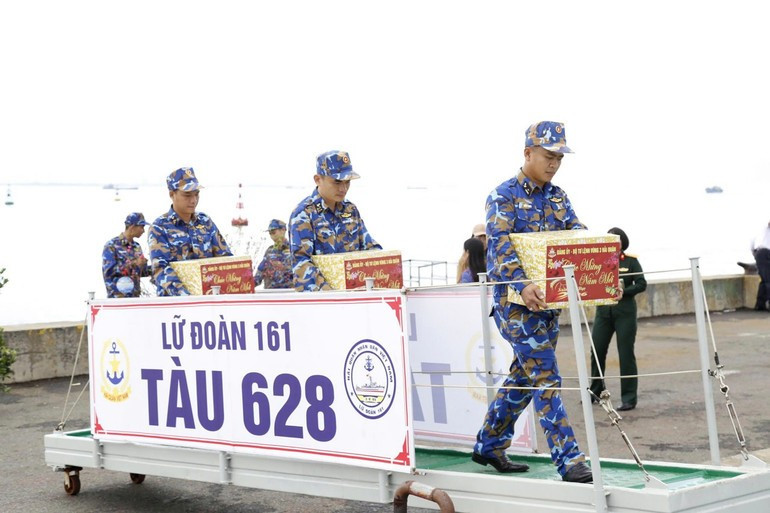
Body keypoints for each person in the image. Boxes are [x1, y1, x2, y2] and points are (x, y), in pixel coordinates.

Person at [473, 121, 593, 484]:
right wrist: (523, 285)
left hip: (549, 303)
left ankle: (489, 444)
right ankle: (569, 460)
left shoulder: (558, 197)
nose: (554, 163)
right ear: (528, 153)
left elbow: (575, 234)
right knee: (545, 376)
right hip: (515, 304)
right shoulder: (503, 196)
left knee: (525, 377)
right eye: (548, 155)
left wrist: (596, 262)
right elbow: (500, 247)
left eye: (559, 157)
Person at [289, 150, 381, 291]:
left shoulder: (350, 210)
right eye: (337, 182)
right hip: (323, 298)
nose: (343, 188)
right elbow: (302, 265)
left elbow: (369, 248)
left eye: (347, 182)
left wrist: (385, 267)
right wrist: (333, 295)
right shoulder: (304, 214)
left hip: (355, 294)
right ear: (318, 179)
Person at [148, 167, 232, 296]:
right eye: (187, 195)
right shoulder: (159, 227)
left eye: (196, 194)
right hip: (176, 302)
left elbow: (225, 258)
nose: (193, 200)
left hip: (209, 299)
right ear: (172, 194)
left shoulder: (205, 222)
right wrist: (188, 297)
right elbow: (161, 270)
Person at [589, 227, 647, 411]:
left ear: (622, 242)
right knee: (596, 350)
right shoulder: (599, 261)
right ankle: (596, 391)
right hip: (603, 312)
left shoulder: (631, 261)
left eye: (616, 240)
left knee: (626, 353)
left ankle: (629, 398)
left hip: (624, 312)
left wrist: (625, 291)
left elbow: (641, 283)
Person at [101, 212, 152, 298]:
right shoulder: (112, 245)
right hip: (118, 298)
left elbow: (140, 272)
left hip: (135, 297)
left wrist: (154, 267)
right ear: (132, 227)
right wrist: (134, 263)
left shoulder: (136, 246)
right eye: (141, 227)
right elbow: (109, 272)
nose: (143, 231)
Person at [254, 219, 293, 289]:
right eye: (270, 233)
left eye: (274, 232)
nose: (272, 236)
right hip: (271, 293)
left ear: (283, 230)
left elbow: (300, 272)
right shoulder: (269, 251)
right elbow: (260, 274)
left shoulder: (293, 250)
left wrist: (284, 268)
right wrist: (246, 284)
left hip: (289, 292)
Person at [751, 220, 770, 311]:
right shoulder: (765, 228)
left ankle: (760, 304)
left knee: (764, 280)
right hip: (765, 253)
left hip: (759, 253)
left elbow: (752, 243)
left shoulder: (760, 230)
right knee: (768, 280)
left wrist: (754, 254)